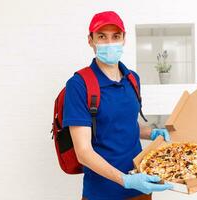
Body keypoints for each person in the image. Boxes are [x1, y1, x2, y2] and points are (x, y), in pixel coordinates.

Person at [62, 11, 173, 200]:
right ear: (90, 40)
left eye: (116, 36)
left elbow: (125, 125)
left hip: (141, 188)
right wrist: (126, 180)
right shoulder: (79, 85)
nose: (110, 43)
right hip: (102, 193)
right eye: (102, 37)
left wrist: (152, 133)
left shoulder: (132, 79)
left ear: (124, 39)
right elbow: (83, 152)